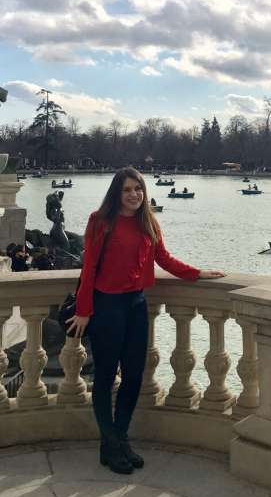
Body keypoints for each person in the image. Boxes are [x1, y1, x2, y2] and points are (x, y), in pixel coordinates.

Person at [66, 167, 224, 475]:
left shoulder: (148, 222)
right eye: (127, 190)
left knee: (135, 376)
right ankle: (111, 444)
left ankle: (118, 439)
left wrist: (197, 273)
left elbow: (163, 258)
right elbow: (89, 268)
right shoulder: (100, 221)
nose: (134, 195)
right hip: (106, 306)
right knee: (106, 376)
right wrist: (84, 310)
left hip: (137, 305)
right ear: (117, 193)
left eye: (138, 189)